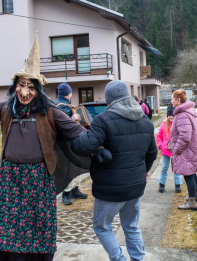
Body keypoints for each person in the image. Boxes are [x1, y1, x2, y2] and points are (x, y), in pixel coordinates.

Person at [0, 32, 110, 260]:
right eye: (21, 85)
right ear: (15, 86)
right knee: (1, 228)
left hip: (38, 179)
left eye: (30, 86)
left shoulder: (50, 112)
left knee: (35, 230)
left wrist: (97, 149)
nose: (25, 92)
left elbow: (77, 132)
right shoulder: (7, 108)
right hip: (9, 178)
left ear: (38, 90)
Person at [71, 80, 158, 261]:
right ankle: (138, 258)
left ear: (109, 100)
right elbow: (152, 153)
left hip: (110, 188)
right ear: (127, 96)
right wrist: (145, 171)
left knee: (102, 227)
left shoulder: (103, 120)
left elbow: (83, 147)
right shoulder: (145, 121)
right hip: (136, 185)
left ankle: (119, 259)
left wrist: (78, 132)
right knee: (131, 226)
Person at [170, 89, 197, 211]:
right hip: (192, 148)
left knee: (188, 174)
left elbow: (185, 136)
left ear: (178, 100)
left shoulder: (182, 114)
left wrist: (176, 149)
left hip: (186, 150)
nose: (171, 101)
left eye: (173, 99)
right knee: (192, 171)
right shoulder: (188, 112)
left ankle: (191, 201)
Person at [55, 82, 88, 205]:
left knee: (77, 165)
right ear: (68, 93)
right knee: (67, 167)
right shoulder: (59, 106)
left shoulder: (66, 105)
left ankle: (75, 190)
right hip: (65, 143)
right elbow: (57, 124)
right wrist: (72, 120)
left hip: (73, 141)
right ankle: (66, 194)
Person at [156, 105, 183, 193]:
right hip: (165, 150)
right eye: (169, 115)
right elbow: (159, 136)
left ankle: (177, 184)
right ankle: (162, 183)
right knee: (164, 167)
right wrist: (160, 145)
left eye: (172, 115)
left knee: (176, 168)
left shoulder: (179, 124)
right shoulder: (164, 124)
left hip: (176, 150)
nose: (171, 117)